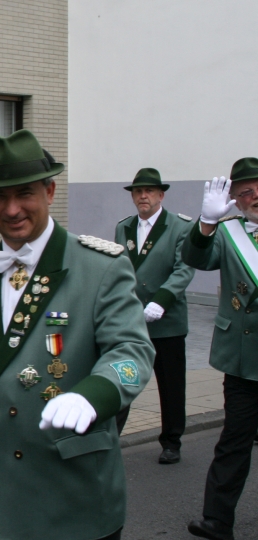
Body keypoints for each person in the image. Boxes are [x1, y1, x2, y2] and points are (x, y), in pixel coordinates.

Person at [0, 129, 154, 540]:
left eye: (24, 193)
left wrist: (94, 395)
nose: (12, 209)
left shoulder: (99, 267)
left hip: (69, 484)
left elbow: (132, 352)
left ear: (50, 191)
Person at [182, 157, 258, 540]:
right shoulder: (229, 234)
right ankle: (217, 520)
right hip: (244, 360)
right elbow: (195, 258)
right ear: (235, 199)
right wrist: (206, 224)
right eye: (246, 191)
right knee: (234, 441)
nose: (255, 196)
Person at [113, 168, 195, 463]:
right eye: (138, 191)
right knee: (122, 379)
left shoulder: (180, 227)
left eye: (149, 191)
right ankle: (111, 439)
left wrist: (161, 301)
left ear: (161, 195)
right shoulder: (124, 227)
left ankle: (171, 442)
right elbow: (119, 270)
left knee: (171, 386)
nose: (143, 196)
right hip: (132, 322)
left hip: (167, 321)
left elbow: (184, 269)